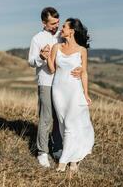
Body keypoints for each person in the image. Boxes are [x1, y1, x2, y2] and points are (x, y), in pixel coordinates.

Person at [28, 7, 82, 168]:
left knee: (60, 118)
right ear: (44, 22)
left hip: (63, 83)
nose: (56, 26)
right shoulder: (37, 39)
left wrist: (79, 67)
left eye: (58, 22)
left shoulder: (62, 35)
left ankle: (57, 149)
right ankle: (42, 152)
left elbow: (74, 51)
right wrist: (40, 57)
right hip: (45, 82)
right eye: (52, 23)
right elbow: (30, 62)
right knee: (46, 118)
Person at [42, 18, 94, 172]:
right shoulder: (56, 47)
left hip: (75, 90)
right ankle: (74, 159)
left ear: (72, 30)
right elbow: (52, 69)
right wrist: (46, 57)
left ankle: (64, 160)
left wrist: (86, 93)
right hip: (58, 90)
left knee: (71, 123)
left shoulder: (82, 50)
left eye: (64, 26)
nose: (61, 29)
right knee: (64, 123)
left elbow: (84, 73)